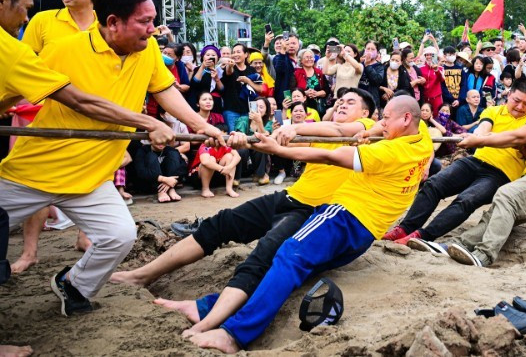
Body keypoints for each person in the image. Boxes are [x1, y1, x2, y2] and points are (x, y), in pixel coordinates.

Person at [0, 0, 224, 317]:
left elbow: (163, 90)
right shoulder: (63, 50)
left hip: (93, 177)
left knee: (119, 236)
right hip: (34, 172)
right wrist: (150, 123)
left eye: (153, 20)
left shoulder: (147, 49)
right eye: (145, 22)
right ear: (113, 23)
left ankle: (74, 284)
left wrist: (203, 126)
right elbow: (29, 91)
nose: (153, 29)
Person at [138, 95, 419, 354]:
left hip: (321, 213)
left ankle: (229, 330)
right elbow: (286, 142)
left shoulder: (371, 138)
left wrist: (299, 131)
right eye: (340, 101)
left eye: (351, 102)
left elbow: (335, 137)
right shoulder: (377, 136)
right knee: (223, 224)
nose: (342, 104)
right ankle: (200, 305)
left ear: (368, 113)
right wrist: (242, 140)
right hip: (292, 198)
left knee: (273, 256)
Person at [422, 80, 526, 268]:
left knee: (506, 195)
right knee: (498, 211)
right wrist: (481, 137)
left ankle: (484, 255)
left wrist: (479, 141)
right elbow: (515, 139)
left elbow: (518, 136)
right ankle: (461, 245)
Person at [13, 0, 103, 274]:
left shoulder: (106, 24)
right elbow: (21, 62)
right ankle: (29, 252)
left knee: (94, 179)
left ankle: (85, 238)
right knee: (36, 180)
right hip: (46, 112)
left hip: (96, 117)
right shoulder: (42, 20)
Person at [384, 78, 526, 250]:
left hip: (501, 174)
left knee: (467, 200)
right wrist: (477, 137)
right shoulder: (494, 110)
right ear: (509, 95)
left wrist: (479, 140)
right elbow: (483, 128)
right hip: (475, 160)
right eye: (516, 101)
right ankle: (405, 228)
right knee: (434, 184)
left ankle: (422, 236)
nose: (520, 107)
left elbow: (516, 139)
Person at [292, 48, 329, 116]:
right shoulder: (296, 73)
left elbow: (326, 90)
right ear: (301, 60)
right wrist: (304, 93)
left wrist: (317, 93)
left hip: (318, 107)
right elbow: (292, 89)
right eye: (306, 57)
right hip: (301, 108)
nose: (309, 59)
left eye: (311, 57)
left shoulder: (319, 72)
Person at [188, 45, 225, 112]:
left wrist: (216, 78)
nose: (210, 57)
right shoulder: (197, 69)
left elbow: (222, 89)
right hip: (199, 105)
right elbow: (194, 83)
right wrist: (202, 67)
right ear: (203, 57)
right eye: (207, 55)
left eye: (213, 55)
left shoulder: (220, 71)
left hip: (215, 105)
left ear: (218, 58)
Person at [272, 33, 300, 108]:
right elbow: (279, 69)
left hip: (300, 98)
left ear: (298, 45)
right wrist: (283, 51)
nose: (291, 46)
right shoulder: (279, 58)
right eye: (288, 44)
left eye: (294, 43)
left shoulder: (302, 59)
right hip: (284, 99)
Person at [358, 40, 385, 109]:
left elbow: (377, 80)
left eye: (373, 49)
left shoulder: (379, 66)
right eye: (368, 49)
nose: (369, 51)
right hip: (359, 98)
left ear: (377, 52)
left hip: (372, 100)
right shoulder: (359, 65)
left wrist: (367, 65)